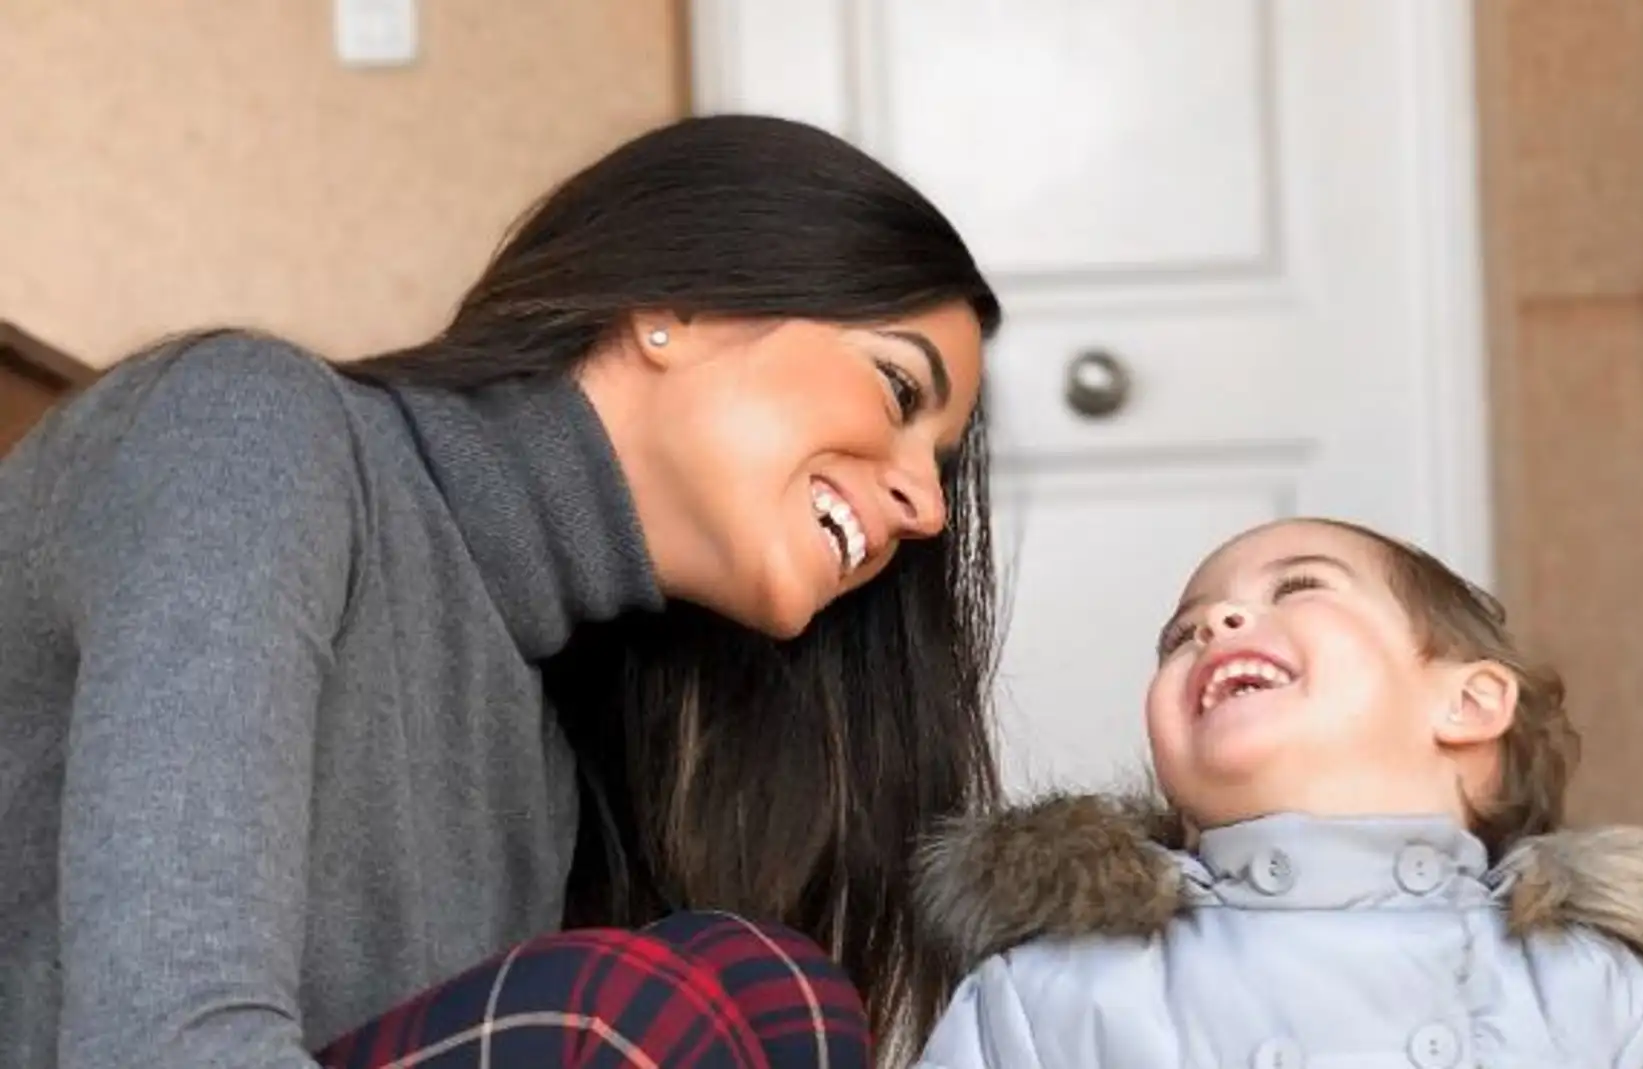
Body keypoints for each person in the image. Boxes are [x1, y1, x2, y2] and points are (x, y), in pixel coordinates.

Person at [0, 114, 1003, 1068]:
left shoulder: (544, 752)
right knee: (653, 1011)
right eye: (899, 390)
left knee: (780, 991)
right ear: (674, 310)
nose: (927, 508)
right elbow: (159, 1048)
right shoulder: (249, 434)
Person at [910, 518, 1643, 1069]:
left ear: (1469, 703)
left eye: (1298, 586)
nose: (1218, 623)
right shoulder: (1048, 993)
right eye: (1180, 634)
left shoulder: (1605, 996)